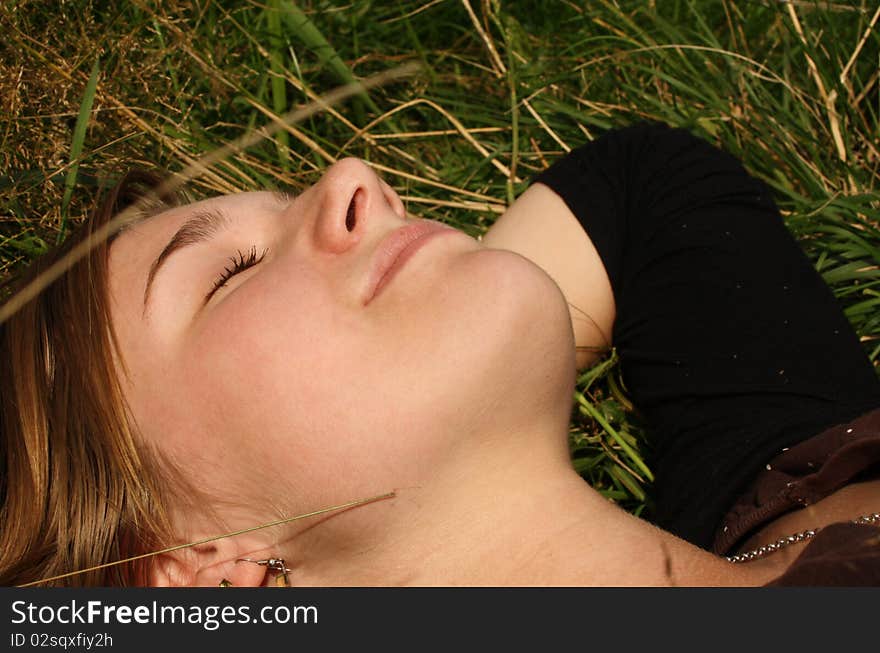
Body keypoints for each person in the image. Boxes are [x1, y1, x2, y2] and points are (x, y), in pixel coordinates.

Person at [1, 122, 878, 587]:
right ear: (191, 567)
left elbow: (639, 187)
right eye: (230, 272)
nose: (351, 176)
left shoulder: (791, 488)